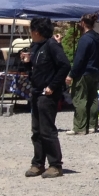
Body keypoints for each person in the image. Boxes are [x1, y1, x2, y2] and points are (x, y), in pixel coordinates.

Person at [26, 17, 69, 178]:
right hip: (36, 92)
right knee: (36, 130)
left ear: (36, 32)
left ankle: (55, 165)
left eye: (31, 31)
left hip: (48, 94)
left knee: (47, 130)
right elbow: (37, 68)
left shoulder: (52, 45)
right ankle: (38, 163)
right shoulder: (37, 46)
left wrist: (52, 86)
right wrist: (27, 62)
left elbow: (65, 65)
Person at [65, 13, 99, 135]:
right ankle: (92, 126)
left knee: (80, 99)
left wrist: (71, 74)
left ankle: (80, 127)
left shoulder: (85, 39)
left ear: (83, 23)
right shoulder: (98, 38)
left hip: (83, 73)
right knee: (93, 99)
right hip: (95, 72)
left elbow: (79, 59)